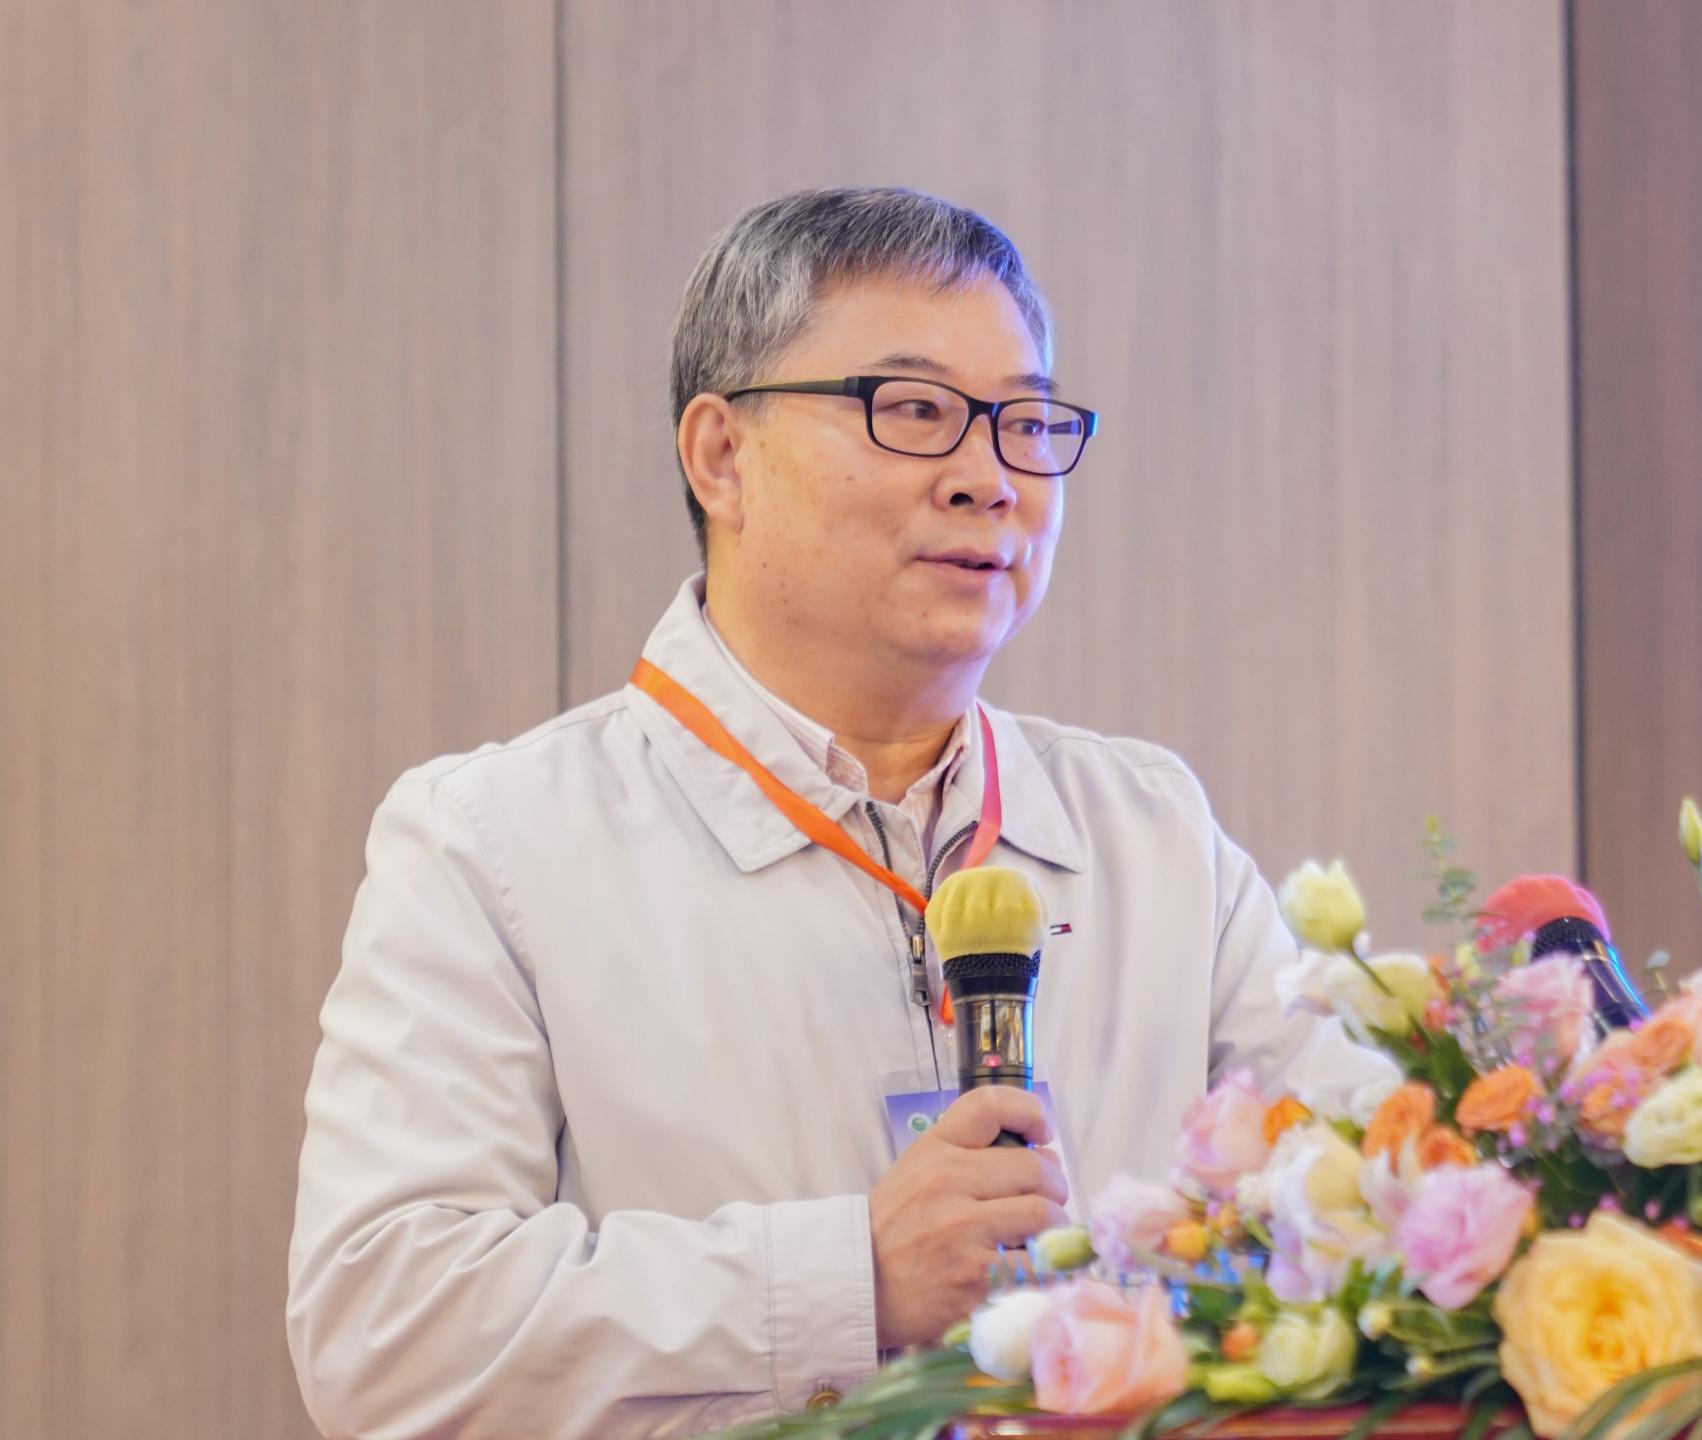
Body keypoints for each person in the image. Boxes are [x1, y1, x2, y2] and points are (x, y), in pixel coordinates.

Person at [287, 187, 1375, 1438]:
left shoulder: (1154, 835)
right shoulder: (491, 843)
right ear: (721, 456)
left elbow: (1374, 1204)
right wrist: (846, 1280)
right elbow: (385, 1328)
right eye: (913, 411)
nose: (988, 479)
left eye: (1026, 423)